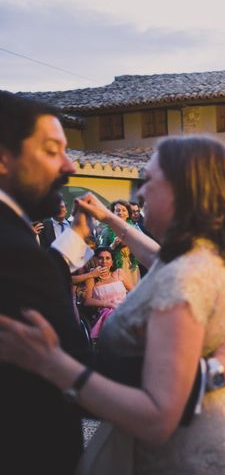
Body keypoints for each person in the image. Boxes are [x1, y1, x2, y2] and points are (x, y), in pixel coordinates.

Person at [0, 135, 225, 474]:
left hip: (175, 452)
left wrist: (52, 363)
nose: (140, 193)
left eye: (148, 181)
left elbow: (157, 417)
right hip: (209, 428)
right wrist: (107, 218)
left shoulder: (184, 278)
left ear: (183, 189)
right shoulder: (210, 256)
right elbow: (158, 258)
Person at [0, 90, 93, 473]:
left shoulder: (18, 243)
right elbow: (77, 368)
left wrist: (76, 235)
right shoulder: (14, 250)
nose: (69, 165)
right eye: (52, 149)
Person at [84, 246, 133, 339]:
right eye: (100, 258)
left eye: (107, 258)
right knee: (113, 315)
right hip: (105, 312)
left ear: (112, 261)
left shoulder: (119, 273)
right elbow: (87, 301)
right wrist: (109, 304)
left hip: (124, 308)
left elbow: (134, 291)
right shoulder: (91, 277)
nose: (104, 262)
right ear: (96, 260)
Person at [99, 199, 141, 285]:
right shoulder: (106, 231)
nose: (120, 213)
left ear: (128, 214)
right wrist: (113, 245)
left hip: (132, 266)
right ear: (113, 213)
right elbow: (100, 252)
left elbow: (142, 249)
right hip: (115, 268)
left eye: (124, 210)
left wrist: (131, 243)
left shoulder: (135, 229)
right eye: (117, 210)